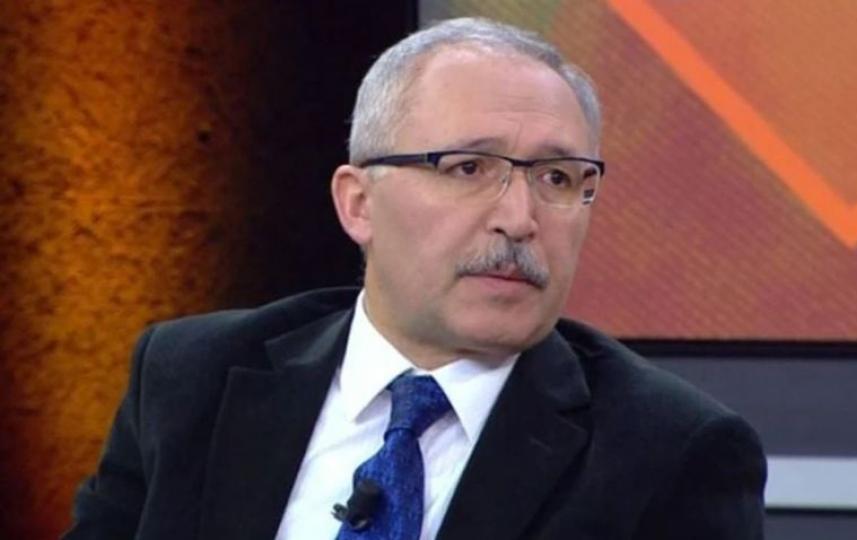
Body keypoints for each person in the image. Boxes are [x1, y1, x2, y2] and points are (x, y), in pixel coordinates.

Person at [64, 16, 766, 540]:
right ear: (358, 204)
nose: (519, 219)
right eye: (468, 168)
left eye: (557, 178)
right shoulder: (193, 378)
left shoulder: (670, 454)